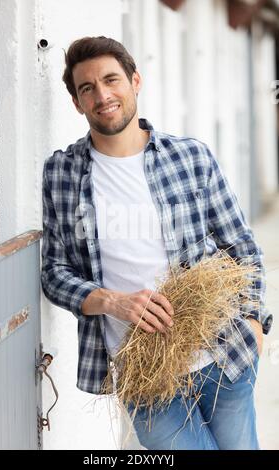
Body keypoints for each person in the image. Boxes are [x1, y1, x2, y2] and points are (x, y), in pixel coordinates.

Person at [41, 36, 273, 450]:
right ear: (77, 102)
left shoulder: (190, 157)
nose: (102, 95)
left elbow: (242, 249)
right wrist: (112, 301)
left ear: (135, 81)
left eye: (112, 80)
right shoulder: (62, 172)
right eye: (87, 88)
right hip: (144, 375)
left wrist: (254, 322)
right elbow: (55, 273)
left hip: (221, 355)